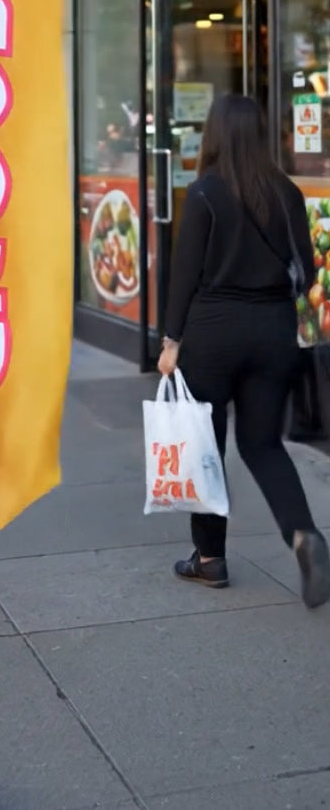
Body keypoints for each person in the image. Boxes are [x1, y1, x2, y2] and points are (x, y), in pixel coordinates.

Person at [158, 94, 330, 610]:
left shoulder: (206, 192)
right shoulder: (287, 194)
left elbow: (183, 275)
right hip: (275, 330)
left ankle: (209, 559)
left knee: (204, 445)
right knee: (261, 444)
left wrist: (170, 341)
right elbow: (310, 272)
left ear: (215, 134)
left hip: (213, 332)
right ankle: (303, 534)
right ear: (261, 135)